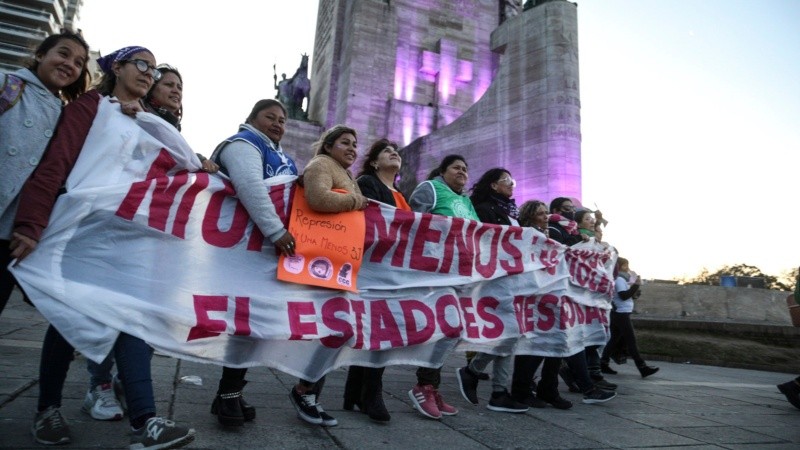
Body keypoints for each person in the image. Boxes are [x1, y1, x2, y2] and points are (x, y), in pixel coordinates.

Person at [11, 45, 195, 449]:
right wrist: (30, 224)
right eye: (141, 64)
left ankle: (145, 422)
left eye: (153, 67)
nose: (148, 73)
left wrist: (150, 122)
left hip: (127, 240)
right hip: (82, 231)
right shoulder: (89, 107)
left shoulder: (148, 121)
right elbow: (56, 163)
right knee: (67, 320)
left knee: (130, 321)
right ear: (117, 67)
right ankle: (47, 411)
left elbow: (186, 166)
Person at [208, 98, 298, 427]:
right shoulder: (243, 144)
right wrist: (276, 231)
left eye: (282, 120)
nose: (278, 124)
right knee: (244, 323)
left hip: (262, 251)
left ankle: (229, 393)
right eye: (270, 117)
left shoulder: (282, 156)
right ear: (251, 118)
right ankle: (227, 395)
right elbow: (249, 187)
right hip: (242, 248)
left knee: (252, 324)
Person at [0, 30, 90, 319]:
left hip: (9, 232)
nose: (70, 65)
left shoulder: (66, 113)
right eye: (63, 54)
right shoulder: (7, 84)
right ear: (40, 55)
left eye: (78, 62)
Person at [289, 124, 369, 427]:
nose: (352, 148)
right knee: (334, 330)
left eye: (355, 144)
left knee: (337, 331)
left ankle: (308, 392)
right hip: (319, 264)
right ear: (328, 146)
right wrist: (355, 202)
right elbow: (319, 199)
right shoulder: (322, 164)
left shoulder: (347, 175)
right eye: (345, 143)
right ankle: (305, 392)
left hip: (337, 264)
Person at [340, 139, 410, 423]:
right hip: (373, 267)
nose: (394, 153)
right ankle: (371, 393)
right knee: (380, 330)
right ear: (374, 162)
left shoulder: (400, 194)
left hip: (394, 269)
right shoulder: (368, 183)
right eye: (386, 151)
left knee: (378, 329)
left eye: (396, 151)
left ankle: (355, 392)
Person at [406, 154, 477, 420]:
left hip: (459, 276)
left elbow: (478, 232)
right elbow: (415, 224)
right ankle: (423, 386)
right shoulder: (431, 189)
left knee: (452, 330)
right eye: (456, 167)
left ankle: (432, 386)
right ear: (443, 171)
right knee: (440, 329)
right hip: (434, 274)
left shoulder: (466, 201)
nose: (462, 172)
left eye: (465, 169)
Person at [455, 168, 528, 413]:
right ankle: (492, 387)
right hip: (495, 280)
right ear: (494, 186)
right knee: (511, 333)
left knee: (509, 335)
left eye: (513, 180)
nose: (512, 185)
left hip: (513, 280)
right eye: (507, 181)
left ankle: (483, 380)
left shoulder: (511, 212)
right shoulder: (486, 209)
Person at [546, 197, 617, 405]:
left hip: (571, 293)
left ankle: (560, 386)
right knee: (550, 343)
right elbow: (560, 254)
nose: (570, 212)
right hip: (558, 291)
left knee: (565, 340)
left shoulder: (571, 232)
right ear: (556, 210)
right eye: (566, 209)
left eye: (572, 209)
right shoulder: (556, 230)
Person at [508, 200, 569, 409]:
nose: (545, 216)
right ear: (530, 215)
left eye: (546, 213)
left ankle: (548, 387)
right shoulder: (526, 235)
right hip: (530, 296)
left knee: (555, 340)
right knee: (531, 344)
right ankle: (521, 390)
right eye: (541, 213)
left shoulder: (549, 235)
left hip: (549, 294)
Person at [600, 258, 660, 378]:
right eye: (626, 265)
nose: (628, 268)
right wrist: (636, 286)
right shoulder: (620, 280)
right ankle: (642, 367)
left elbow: (625, 295)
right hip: (621, 313)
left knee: (614, 340)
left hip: (620, 313)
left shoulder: (621, 280)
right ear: (620, 266)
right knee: (631, 341)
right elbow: (623, 296)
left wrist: (634, 291)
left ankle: (602, 363)